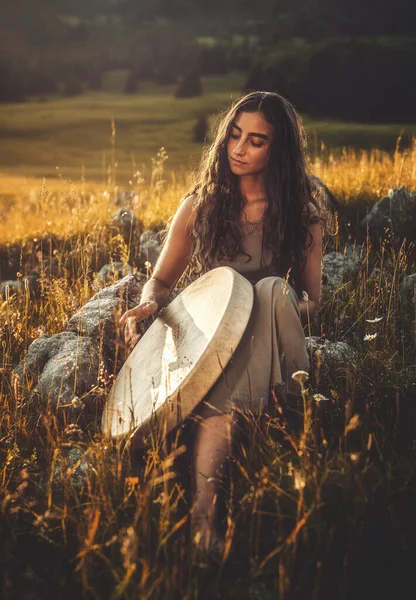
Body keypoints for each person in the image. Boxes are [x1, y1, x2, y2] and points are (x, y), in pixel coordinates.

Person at [119, 90, 333, 556]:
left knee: (269, 290)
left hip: (280, 347)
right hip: (215, 349)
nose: (239, 148)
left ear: (279, 150)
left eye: (256, 141)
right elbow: (159, 283)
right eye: (234, 135)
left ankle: (202, 509)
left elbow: (313, 302)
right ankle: (203, 515)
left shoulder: (304, 214)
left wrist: (270, 306)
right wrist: (149, 305)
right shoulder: (200, 205)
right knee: (235, 343)